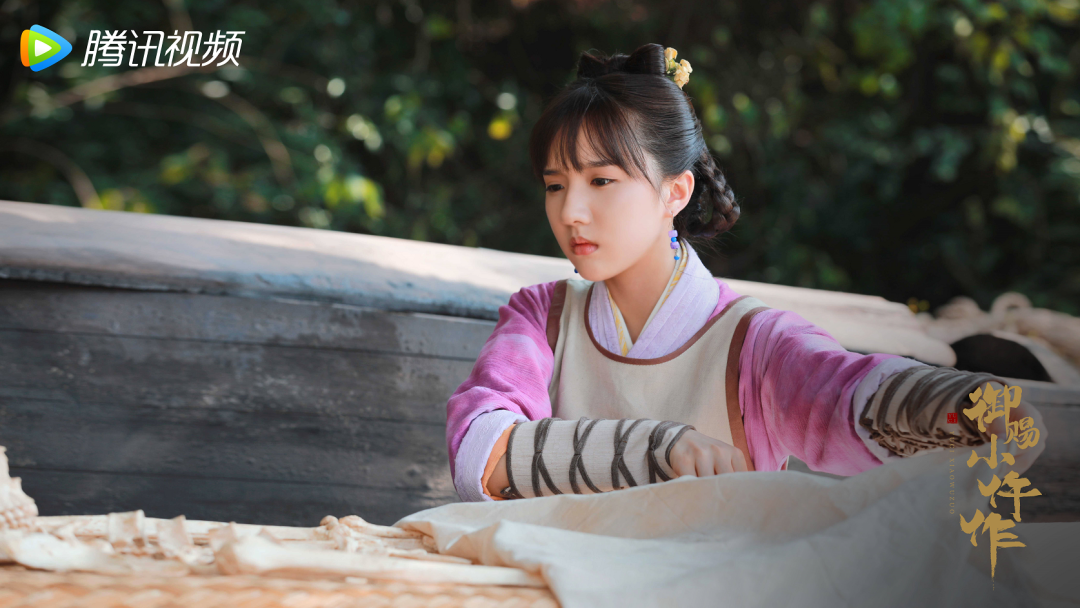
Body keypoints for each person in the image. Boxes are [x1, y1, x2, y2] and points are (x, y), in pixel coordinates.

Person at [445, 43, 1045, 502]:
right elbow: (481, 450)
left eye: (601, 180)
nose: (571, 211)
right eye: (555, 185)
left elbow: (842, 392)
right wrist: (657, 448)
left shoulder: (752, 341)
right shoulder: (542, 316)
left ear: (675, 192)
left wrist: (961, 401)